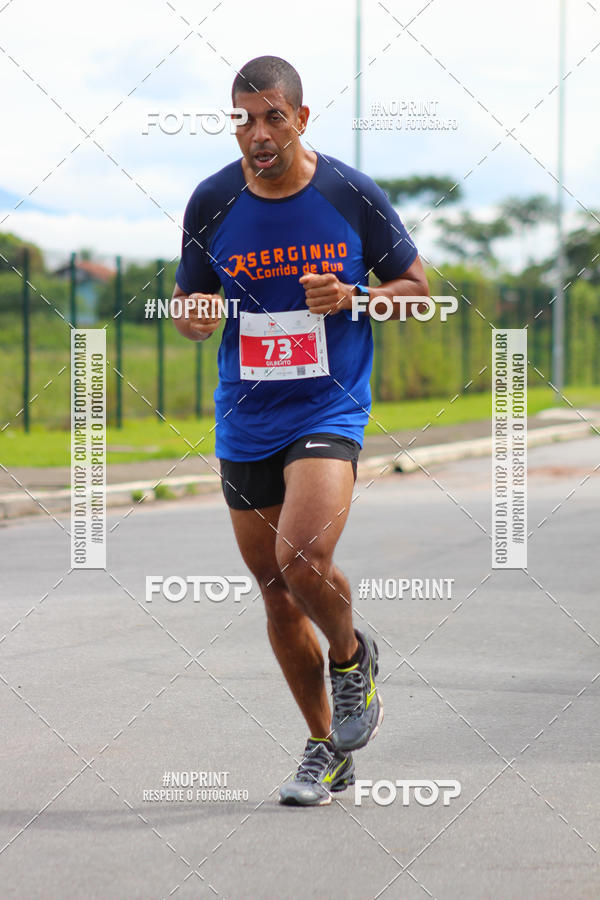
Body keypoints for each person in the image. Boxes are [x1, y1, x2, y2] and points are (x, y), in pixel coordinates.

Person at [172, 55, 429, 806]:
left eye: (272, 116)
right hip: (247, 414)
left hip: (329, 407)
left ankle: (352, 659)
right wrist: (192, 317)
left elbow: (417, 292)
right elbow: (190, 302)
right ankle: (326, 748)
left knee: (302, 556)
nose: (257, 133)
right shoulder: (212, 200)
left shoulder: (349, 193)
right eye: (244, 118)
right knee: (277, 591)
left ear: (301, 118)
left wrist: (355, 297)